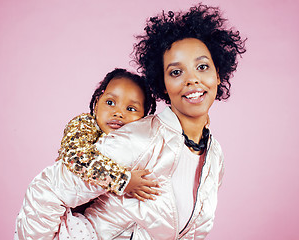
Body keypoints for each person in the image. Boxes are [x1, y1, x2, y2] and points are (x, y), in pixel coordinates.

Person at [17, 4, 246, 239]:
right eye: (176, 72)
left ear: (218, 74)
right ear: (163, 85)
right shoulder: (139, 138)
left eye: (202, 67)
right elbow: (45, 191)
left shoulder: (214, 156)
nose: (192, 80)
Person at [14, 68, 159, 239]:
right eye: (110, 102)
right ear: (97, 104)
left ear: (144, 117)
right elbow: (77, 158)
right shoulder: (85, 125)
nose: (118, 113)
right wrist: (123, 181)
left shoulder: (136, 142)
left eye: (131, 108)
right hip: (60, 210)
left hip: (95, 216)